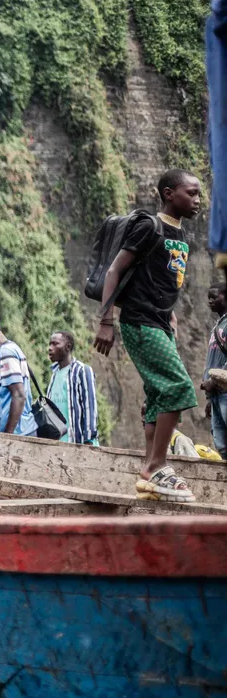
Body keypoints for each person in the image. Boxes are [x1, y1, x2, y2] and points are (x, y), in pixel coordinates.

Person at [94, 168, 203, 501]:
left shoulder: (181, 235)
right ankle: (157, 466)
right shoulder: (148, 226)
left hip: (159, 322)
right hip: (139, 322)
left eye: (199, 194)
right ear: (169, 194)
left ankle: (149, 471)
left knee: (158, 394)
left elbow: (162, 280)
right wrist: (106, 320)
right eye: (192, 193)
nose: (198, 200)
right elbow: (115, 270)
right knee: (178, 386)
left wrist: (170, 314)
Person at [47, 331, 99, 445]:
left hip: (79, 444)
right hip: (57, 444)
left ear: (68, 346)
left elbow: (90, 407)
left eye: (55, 344)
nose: (50, 348)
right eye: (50, 344)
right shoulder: (54, 374)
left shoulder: (82, 371)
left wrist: (89, 441)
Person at [203, 283, 227, 455]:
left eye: (214, 296)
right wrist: (209, 397)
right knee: (221, 442)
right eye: (208, 297)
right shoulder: (217, 326)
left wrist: (215, 380)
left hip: (225, 390)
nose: (210, 301)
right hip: (216, 394)